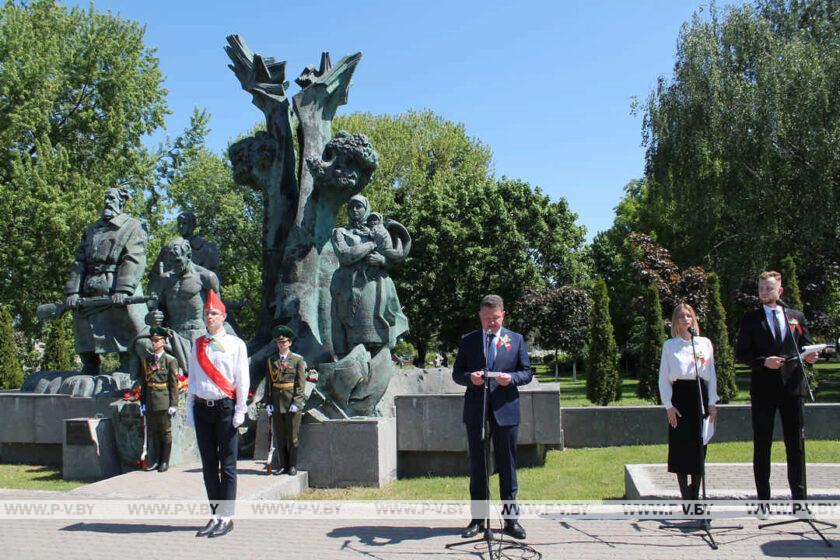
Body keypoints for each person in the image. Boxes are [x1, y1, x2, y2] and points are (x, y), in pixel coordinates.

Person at [452, 294, 532, 540]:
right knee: (478, 466)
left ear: (503, 315)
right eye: (486, 319)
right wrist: (470, 379)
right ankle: (478, 519)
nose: (491, 323)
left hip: (506, 410)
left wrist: (512, 379)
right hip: (477, 410)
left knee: (507, 467)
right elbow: (457, 374)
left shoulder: (516, 340)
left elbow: (526, 372)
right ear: (480, 316)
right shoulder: (469, 341)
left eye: (495, 319)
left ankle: (511, 521)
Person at [736, 270, 818, 501]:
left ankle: (800, 501)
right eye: (761, 288)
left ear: (779, 290)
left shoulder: (795, 317)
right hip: (763, 391)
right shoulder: (751, 319)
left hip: (792, 389)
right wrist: (764, 362)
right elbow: (741, 355)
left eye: (769, 288)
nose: (764, 292)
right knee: (762, 445)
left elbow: (805, 345)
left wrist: (811, 356)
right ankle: (764, 500)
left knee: (796, 446)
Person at [64, 187, 149, 374]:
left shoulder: (132, 226)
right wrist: (73, 291)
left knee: (123, 325)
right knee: (82, 323)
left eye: (111, 198)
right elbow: (79, 261)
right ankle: (89, 364)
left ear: (121, 202)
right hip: (90, 287)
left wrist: (124, 289)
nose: (108, 202)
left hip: (116, 286)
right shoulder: (92, 229)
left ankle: (128, 367)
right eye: (106, 198)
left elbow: (134, 258)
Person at [187, 290, 249, 538]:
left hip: (225, 408)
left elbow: (242, 379)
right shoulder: (198, 344)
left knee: (228, 465)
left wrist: (240, 410)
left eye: (213, 313)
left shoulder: (236, 344)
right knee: (209, 466)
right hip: (203, 408)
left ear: (223, 316)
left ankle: (227, 516)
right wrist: (189, 408)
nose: (209, 316)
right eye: (206, 313)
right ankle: (215, 515)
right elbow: (192, 377)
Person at [658, 303, 719, 500]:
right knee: (680, 447)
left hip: (699, 393)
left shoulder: (704, 343)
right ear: (676, 321)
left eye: (689, 316)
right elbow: (664, 378)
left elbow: (711, 375)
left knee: (699, 446)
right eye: (682, 316)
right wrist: (668, 405)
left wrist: (712, 402)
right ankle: (685, 494)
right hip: (680, 397)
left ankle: (696, 492)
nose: (686, 319)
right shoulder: (670, 345)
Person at [263, 325, 307, 475]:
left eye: (284, 342)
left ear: (290, 343)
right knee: (280, 438)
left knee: (293, 438)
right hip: (276, 403)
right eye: (279, 342)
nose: (281, 345)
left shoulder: (297, 360)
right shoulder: (271, 361)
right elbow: (269, 384)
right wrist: (268, 402)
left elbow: (301, 384)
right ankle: (283, 465)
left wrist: (297, 402)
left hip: (291, 403)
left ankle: (293, 466)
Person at [139, 327, 180, 473]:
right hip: (150, 400)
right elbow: (144, 383)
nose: (154, 343)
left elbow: (174, 384)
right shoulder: (147, 360)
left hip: (163, 400)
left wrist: (174, 404)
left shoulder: (170, 360)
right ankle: (155, 460)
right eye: (152, 341)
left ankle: (164, 461)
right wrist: (142, 402)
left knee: (165, 431)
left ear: (163, 342)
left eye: (157, 341)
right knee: (152, 432)